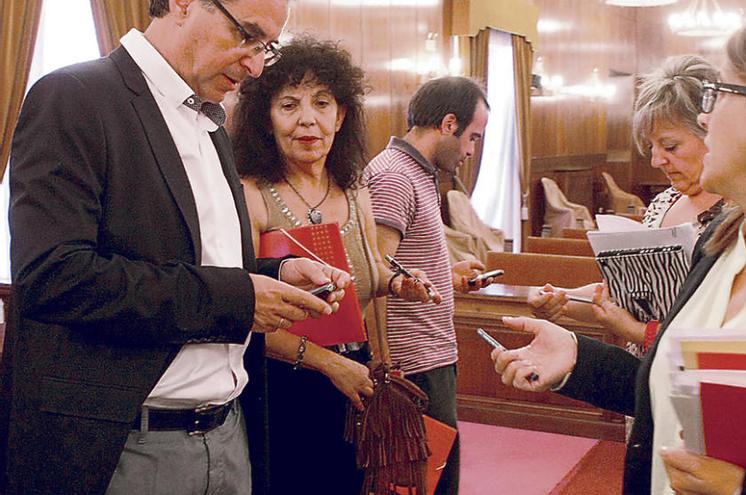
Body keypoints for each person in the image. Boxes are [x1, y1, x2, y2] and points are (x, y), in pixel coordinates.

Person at [493, 6, 746, 494]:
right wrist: (577, 358)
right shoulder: (721, 244)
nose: (704, 114)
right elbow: (678, 401)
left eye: (720, 93)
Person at [0, 1, 353, 494]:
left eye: (265, 48)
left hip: (230, 433)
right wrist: (239, 297)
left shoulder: (210, 125)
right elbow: (54, 276)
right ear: (184, 4)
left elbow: (197, 261)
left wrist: (276, 275)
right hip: (125, 444)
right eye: (245, 36)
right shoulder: (76, 96)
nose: (254, 66)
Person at [233, 36, 440, 494]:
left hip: (357, 376)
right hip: (282, 387)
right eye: (289, 105)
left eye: (322, 104)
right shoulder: (251, 194)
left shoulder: (354, 188)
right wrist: (328, 364)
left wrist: (401, 283)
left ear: (340, 116)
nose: (307, 119)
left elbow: (372, 273)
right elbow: (243, 308)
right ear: (266, 120)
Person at [529, 55, 723, 357]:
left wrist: (636, 332)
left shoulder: (741, 215)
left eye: (670, 147)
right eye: (651, 147)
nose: (657, 160)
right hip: (639, 376)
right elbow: (624, 297)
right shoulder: (663, 202)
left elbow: (724, 335)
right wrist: (563, 300)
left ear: (712, 132)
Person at [365, 76, 493, 495]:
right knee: (424, 485)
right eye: (472, 137)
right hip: (411, 364)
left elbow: (403, 267)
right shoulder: (394, 176)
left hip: (428, 354)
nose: (471, 151)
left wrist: (448, 277)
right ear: (449, 124)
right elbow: (375, 275)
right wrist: (383, 366)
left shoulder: (415, 172)